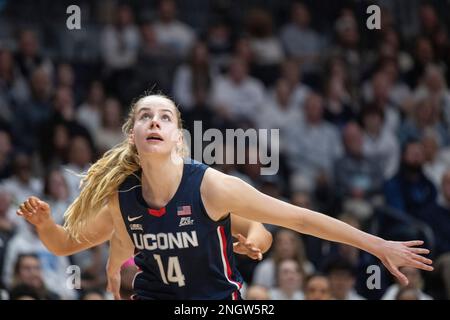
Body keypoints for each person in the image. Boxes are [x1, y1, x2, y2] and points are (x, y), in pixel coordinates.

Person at [16, 94, 433, 300]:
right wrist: (44, 225)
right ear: (133, 136)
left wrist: (379, 245)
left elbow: (300, 219)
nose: (154, 122)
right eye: (145, 116)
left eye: (165, 117)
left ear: (178, 138)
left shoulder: (212, 186)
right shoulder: (122, 201)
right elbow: (64, 244)